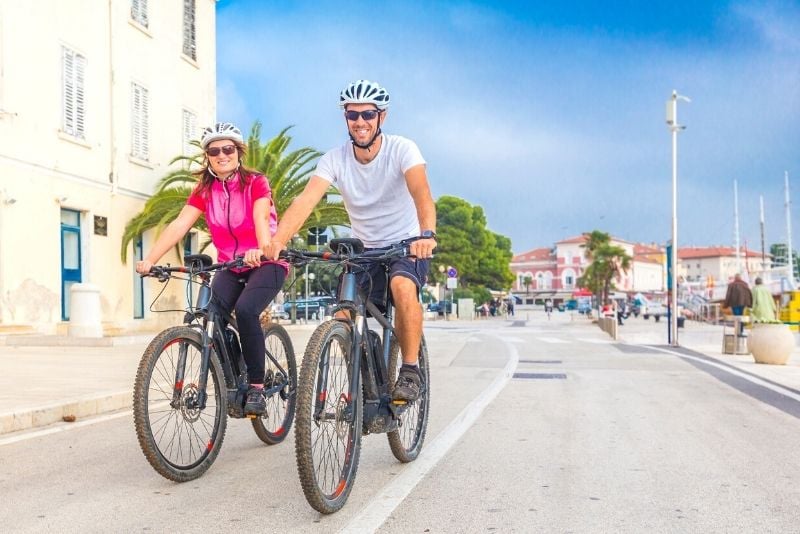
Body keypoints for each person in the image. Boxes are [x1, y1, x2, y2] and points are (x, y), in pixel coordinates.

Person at [265, 80, 436, 402]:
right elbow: (305, 201)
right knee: (341, 315)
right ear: (345, 117)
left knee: (402, 287)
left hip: (405, 244)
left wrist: (426, 235)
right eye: (352, 114)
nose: (360, 121)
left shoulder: (403, 149)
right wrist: (278, 240)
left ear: (380, 117)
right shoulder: (335, 159)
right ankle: (366, 379)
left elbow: (422, 195)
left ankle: (411, 370)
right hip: (365, 250)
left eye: (367, 114)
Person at [135, 122, 288, 416]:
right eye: (214, 151)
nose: (221, 155)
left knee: (245, 310)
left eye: (227, 149)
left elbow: (260, 215)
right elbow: (181, 223)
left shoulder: (256, 182)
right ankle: (235, 375)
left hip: (265, 262)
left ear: (238, 152)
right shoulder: (205, 189)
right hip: (231, 264)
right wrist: (151, 259)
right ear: (207, 156)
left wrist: (262, 246)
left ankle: (256, 387)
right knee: (210, 313)